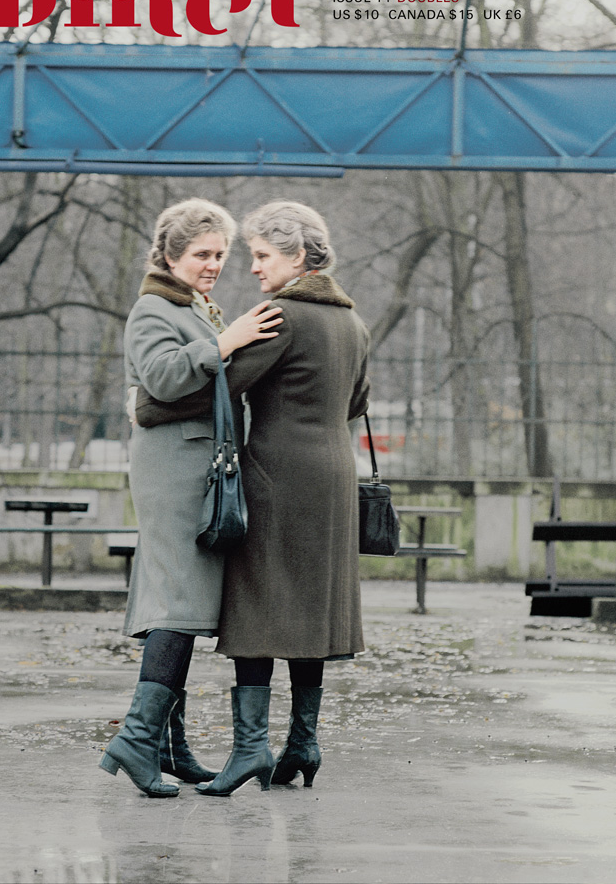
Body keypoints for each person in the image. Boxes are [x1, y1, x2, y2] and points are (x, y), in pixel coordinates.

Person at [135, 200, 370, 796]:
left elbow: (227, 386)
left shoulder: (283, 315)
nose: (255, 269)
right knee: (311, 608)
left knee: (259, 607)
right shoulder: (353, 321)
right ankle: (304, 742)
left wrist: (150, 406)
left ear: (297, 256)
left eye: (262, 256)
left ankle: (249, 751)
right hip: (336, 473)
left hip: (277, 474)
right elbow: (356, 403)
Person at [99, 197, 282, 799]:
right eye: (202, 254)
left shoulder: (196, 307)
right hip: (175, 472)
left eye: (219, 255)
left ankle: (169, 746)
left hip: (196, 467)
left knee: (176, 602)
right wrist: (224, 343)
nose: (214, 264)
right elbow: (164, 378)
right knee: (178, 605)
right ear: (171, 255)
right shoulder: (154, 308)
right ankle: (136, 738)